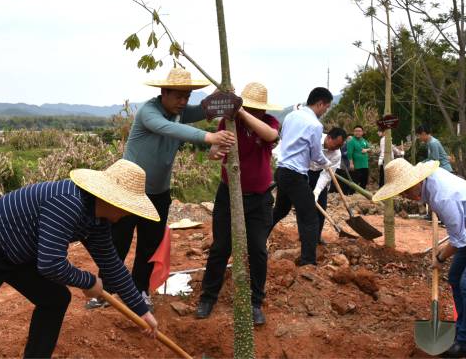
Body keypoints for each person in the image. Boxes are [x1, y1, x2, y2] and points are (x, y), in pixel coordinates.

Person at [0, 159, 160, 359]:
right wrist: (89, 282)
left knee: (55, 299)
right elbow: (50, 264)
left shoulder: (97, 220)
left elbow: (112, 266)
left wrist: (141, 311)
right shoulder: (69, 202)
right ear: (111, 199)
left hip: (17, 255)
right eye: (127, 207)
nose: (128, 213)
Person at [105, 67, 235, 309]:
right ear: (164, 92)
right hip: (128, 190)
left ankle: (139, 291)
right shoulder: (149, 112)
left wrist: (222, 94)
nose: (183, 102)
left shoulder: (179, 111)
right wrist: (209, 139)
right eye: (178, 96)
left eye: (187, 96)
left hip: (158, 192)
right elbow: (172, 129)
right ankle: (105, 290)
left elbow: (204, 109)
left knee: (149, 245)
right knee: (118, 241)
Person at [373, 158, 466, 358]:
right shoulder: (428, 184)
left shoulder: (443, 197)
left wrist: (441, 258)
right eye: (401, 192)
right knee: (455, 278)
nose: (405, 196)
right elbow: (460, 234)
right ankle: (462, 328)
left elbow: (458, 241)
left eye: (407, 189)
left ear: (417, 180)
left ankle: (465, 344)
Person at [196, 82, 281, 325]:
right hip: (228, 195)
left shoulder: (269, 122)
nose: (253, 112)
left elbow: (271, 136)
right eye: (248, 107)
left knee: (257, 249)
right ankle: (208, 298)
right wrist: (215, 152)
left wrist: (240, 111)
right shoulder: (228, 122)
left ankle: (255, 302)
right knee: (221, 247)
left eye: (256, 109)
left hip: (259, 197)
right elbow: (215, 149)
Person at [270, 87, 333, 266]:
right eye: (326, 107)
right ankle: (308, 261)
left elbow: (284, 140)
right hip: (295, 175)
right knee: (310, 217)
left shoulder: (291, 116)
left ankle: (256, 240)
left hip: (281, 171)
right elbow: (315, 154)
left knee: (280, 211)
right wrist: (326, 163)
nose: (325, 111)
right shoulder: (315, 125)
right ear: (320, 103)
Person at [308, 127, 347, 243]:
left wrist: (316, 191)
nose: (337, 148)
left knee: (321, 207)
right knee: (305, 207)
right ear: (329, 138)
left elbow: (326, 175)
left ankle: (317, 237)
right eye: (336, 145)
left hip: (321, 175)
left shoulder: (336, 154)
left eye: (340, 146)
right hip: (304, 171)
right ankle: (304, 235)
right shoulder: (314, 139)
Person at [347, 125, 371, 189]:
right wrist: (351, 163)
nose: (358, 132)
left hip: (365, 164)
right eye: (356, 131)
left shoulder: (364, 140)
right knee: (355, 180)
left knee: (364, 181)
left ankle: (362, 194)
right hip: (356, 165)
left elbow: (370, 148)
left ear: (362, 132)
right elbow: (349, 153)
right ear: (353, 132)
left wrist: (366, 150)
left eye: (359, 131)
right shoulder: (351, 141)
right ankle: (353, 194)